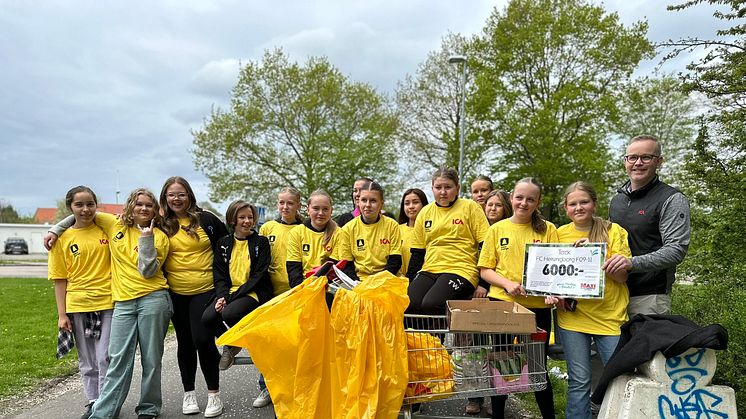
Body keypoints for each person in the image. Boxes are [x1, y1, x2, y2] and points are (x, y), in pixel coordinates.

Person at [46, 188, 172, 419]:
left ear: (156, 210)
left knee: (151, 359)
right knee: (116, 359)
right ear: (131, 207)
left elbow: (147, 270)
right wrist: (55, 229)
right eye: (139, 204)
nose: (143, 208)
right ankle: (104, 411)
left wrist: (146, 239)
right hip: (123, 303)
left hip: (153, 299)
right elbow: (81, 214)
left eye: (149, 205)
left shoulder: (160, 237)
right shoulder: (115, 225)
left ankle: (148, 408)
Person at [546, 181, 631, 419]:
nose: (579, 207)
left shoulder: (614, 231)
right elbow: (552, 276)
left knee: (619, 379)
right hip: (573, 318)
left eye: (584, 202)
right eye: (573, 204)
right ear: (566, 208)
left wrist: (595, 253)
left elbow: (623, 277)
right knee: (579, 380)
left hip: (610, 317)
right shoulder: (558, 234)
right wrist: (552, 293)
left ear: (594, 204)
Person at [478, 177, 557, 419]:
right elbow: (485, 270)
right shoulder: (497, 229)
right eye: (519, 197)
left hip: (536, 309)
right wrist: (507, 284)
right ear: (511, 198)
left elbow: (555, 266)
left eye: (530, 199)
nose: (523, 203)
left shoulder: (548, 229)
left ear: (537, 202)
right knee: (501, 363)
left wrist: (552, 291)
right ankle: (498, 415)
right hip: (502, 306)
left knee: (537, 367)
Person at [159, 176, 228, 417]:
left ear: (189, 196)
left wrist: (225, 285)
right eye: (171, 195)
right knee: (185, 343)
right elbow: (118, 219)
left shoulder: (206, 220)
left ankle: (213, 394)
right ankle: (189, 393)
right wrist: (58, 227)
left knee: (202, 340)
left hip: (205, 290)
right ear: (165, 198)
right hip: (176, 293)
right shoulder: (160, 223)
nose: (176, 199)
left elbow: (228, 244)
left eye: (181, 194)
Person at [48, 186, 113, 419]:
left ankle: (106, 403)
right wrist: (61, 314)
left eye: (90, 204)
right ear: (70, 208)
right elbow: (59, 279)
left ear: (96, 205)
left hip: (107, 303)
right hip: (77, 305)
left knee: (105, 356)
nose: (85, 210)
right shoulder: (61, 240)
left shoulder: (107, 231)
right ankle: (93, 400)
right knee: (87, 360)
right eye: (79, 205)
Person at [608, 135, 691, 317]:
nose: (638, 163)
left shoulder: (672, 199)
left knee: (645, 346)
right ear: (625, 161)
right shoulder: (617, 200)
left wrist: (631, 263)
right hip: (613, 293)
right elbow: (609, 240)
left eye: (646, 157)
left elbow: (676, 249)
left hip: (649, 296)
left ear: (659, 162)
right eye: (633, 157)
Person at [406, 166, 489, 315]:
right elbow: (417, 253)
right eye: (438, 187)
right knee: (409, 303)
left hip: (461, 270)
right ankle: (421, 339)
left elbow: (487, 247)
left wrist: (484, 284)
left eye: (448, 187)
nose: (443, 192)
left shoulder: (470, 207)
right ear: (432, 188)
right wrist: (409, 282)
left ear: (457, 188)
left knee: (432, 304)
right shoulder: (425, 212)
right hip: (430, 269)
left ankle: (439, 339)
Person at [201, 201, 272, 372]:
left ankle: (249, 343)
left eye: (250, 217)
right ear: (233, 220)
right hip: (230, 292)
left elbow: (258, 276)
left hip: (253, 291)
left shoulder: (261, 242)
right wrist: (222, 296)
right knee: (208, 318)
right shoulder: (223, 243)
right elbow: (220, 275)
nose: (247, 221)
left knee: (229, 313)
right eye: (242, 217)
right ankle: (231, 344)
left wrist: (229, 299)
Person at [254, 187, 303, 408]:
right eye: (282, 203)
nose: (285, 207)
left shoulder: (304, 229)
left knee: (295, 344)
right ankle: (266, 386)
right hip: (271, 294)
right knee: (270, 344)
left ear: (298, 206)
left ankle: (295, 387)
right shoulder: (267, 228)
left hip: (297, 294)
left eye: (290, 203)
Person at [466, 189, 512, 415]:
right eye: (489, 205)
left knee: (501, 351)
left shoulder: (510, 229)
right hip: (475, 294)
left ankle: (499, 402)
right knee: (476, 349)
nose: (492, 208)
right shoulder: (475, 226)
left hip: (497, 295)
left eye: (498, 205)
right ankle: (475, 397)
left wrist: (485, 285)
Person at [336, 180, 402, 280]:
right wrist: (357, 283)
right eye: (364, 200)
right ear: (358, 202)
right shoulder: (347, 229)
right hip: (359, 281)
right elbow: (346, 265)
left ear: (381, 203)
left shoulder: (392, 226)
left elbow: (395, 262)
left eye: (373, 201)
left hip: (386, 279)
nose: (368, 205)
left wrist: (376, 281)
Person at [286, 190, 342, 288]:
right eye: (316, 208)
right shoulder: (296, 232)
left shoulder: (339, 233)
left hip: (327, 287)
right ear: (308, 210)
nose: (321, 213)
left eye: (325, 209)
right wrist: (301, 289)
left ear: (331, 211)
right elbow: (293, 268)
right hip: (302, 286)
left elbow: (333, 269)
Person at [396, 188, 428, 277]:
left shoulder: (431, 230)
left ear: (424, 205)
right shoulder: (396, 230)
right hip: (397, 280)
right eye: (407, 203)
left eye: (415, 202)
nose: (411, 206)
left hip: (422, 279)